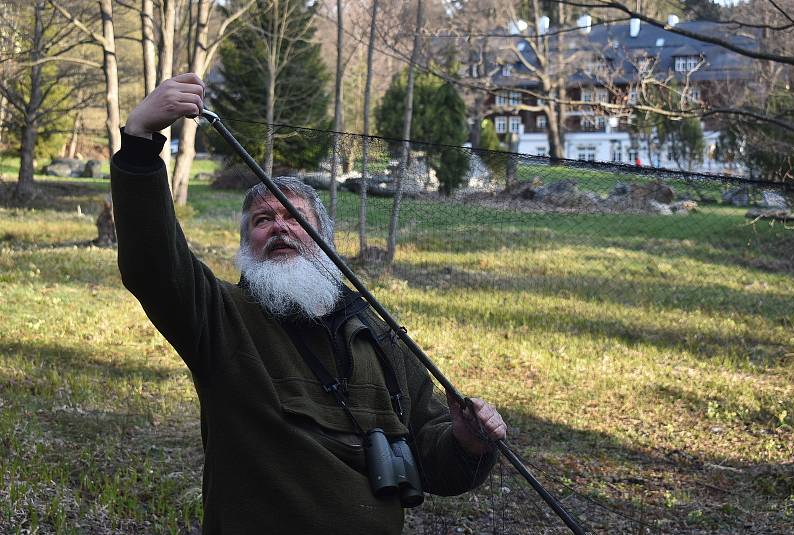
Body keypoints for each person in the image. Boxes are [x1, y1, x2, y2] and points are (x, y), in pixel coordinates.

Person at [112, 73, 507, 535]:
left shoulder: (380, 335)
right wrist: (139, 141)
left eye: (295, 216)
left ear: (326, 239)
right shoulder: (219, 319)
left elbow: (434, 460)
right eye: (263, 219)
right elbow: (153, 265)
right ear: (246, 244)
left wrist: (467, 441)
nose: (279, 226)